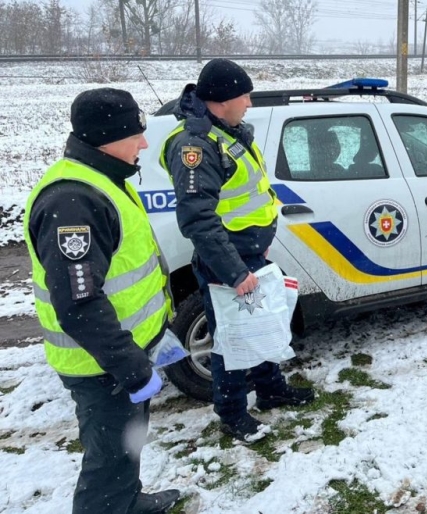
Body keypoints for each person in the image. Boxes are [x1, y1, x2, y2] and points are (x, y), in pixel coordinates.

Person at [23, 88, 180, 514]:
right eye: (136, 135)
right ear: (108, 137)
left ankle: (127, 502)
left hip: (123, 354)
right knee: (106, 461)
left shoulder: (104, 178)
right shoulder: (74, 201)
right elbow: (79, 304)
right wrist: (130, 367)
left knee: (125, 448)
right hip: (102, 365)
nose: (144, 144)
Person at [160, 58, 314, 443]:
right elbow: (198, 219)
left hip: (249, 255)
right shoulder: (195, 146)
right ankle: (232, 413)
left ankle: (270, 389)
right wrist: (234, 272)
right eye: (244, 95)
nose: (249, 102)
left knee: (258, 325)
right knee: (230, 338)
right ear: (223, 99)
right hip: (226, 261)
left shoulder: (225, 131)